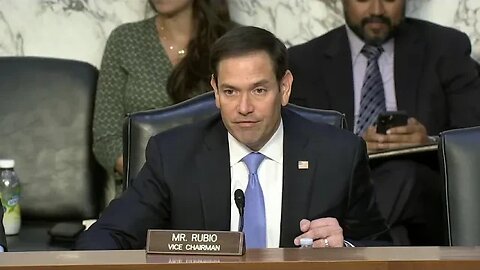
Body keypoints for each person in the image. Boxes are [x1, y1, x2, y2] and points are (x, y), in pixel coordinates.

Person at [75, 26, 391, 250]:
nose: (244, 108)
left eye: (258, 90)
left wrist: (345, 245)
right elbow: (106, 236)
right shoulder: (173, 156)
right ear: (214, 91)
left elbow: (381, 247)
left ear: (284, 88)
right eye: (230, 92)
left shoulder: (339, 155)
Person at [288, 0, 480, 244]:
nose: (377, 10)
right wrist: (355, 146)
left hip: (428, 194)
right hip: (344, 188)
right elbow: (298, 141)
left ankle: (343, 241)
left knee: (404, 175)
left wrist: (428, 142)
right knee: (396, 236)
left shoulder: (446, 47)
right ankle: (354, 245)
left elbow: (473, 135)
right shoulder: (305, 61)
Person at [92, 0, 234, 197]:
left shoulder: (234, 43)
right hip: (143, 192)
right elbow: (106, 138)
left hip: (215, 193)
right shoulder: (125, 40)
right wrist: (159, 182)